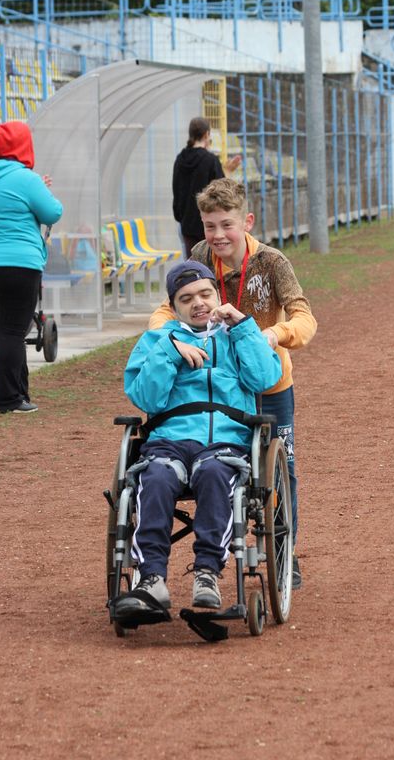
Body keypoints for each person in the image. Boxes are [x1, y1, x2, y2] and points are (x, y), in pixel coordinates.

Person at [150, 178, 317, 589]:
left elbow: (304, 317)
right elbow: (166, 310)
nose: (219, 235)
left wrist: (274, 334)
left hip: (268, 384)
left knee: (281, 467)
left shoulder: (272, 262)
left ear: (247, 221)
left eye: (227, 224)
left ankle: (285, 549)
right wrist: (169, 339)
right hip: (220, 385)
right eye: (210, 226)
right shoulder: (199, 256)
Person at [116, 260, 282, 617]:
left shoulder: (236, 335)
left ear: (217, 295)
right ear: (173, 307)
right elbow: (146, 398)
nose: (198, 303)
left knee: (213, 471)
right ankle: (151, 579)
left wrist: (243, 328)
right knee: (156, 476)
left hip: (225, 439)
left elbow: (265, 378)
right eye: (186, 298)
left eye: (205, 294)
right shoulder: (157, 341)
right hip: (170, 439)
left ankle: (207, 573)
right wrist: (170, 352)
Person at [0, 121, 63, 414]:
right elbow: (52, 212)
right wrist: (41, 190)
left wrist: (35, 189)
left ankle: (20, 393)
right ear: (24, 145)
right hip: (19, 264)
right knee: (12, 331)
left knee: (7, 330)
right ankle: (9, 399)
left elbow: (4, 202)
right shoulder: (26, 178)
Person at [172, 116, 240, 258]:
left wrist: (182, 217)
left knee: (193, 265)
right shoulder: (210, 160)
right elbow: (221, 192)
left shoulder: (179, 160)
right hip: (209, 225)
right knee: (211, 265)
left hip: (186, 226)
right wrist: (228, 171)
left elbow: (176, 191)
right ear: (206, 134)